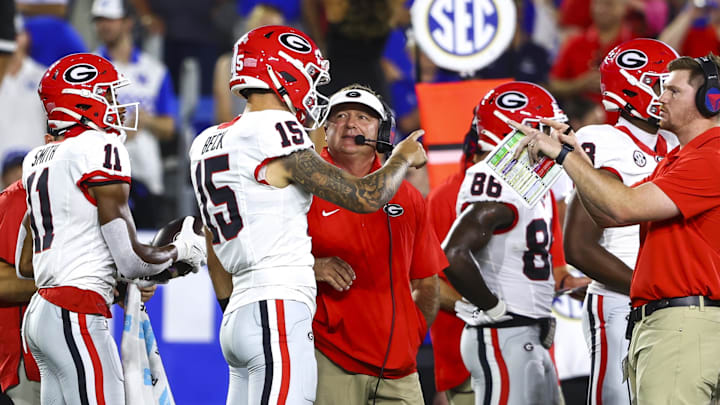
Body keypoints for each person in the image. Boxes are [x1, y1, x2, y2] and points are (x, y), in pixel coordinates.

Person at [189, 26, 427, 404]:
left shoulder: (207, 140)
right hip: (277, 310)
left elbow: (210, 234)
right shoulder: (277, 129)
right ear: (284, 74)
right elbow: (364, 196)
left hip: (238, 312)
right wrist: (400, 158)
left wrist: (232, 304)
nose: (312, 87)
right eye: (308, 75)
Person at [512, 53, 720, 405]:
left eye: (672, 90)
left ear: (709, 99)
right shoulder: (677, 156)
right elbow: (611, 212)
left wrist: (564, 158)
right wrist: (576, 156)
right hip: (672, 317)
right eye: (658, 87)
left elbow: (624, 207)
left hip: (685, 321)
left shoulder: (708, 156)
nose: (661, 97)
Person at [17, 53, 206, 405]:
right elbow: (133, 261)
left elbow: (26, 264)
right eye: (108, 95)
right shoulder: (100, 147)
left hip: (40, 315)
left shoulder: (37, 158)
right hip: (77, 311)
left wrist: (110, 278)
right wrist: (182, 251)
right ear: (84, 101)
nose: (117, 105)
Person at [306, 84, 443, 404]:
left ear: (383, 133)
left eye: (363, 117)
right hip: (330, 359)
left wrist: (410, 338)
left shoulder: (408, 197)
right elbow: (263, 258)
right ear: (325, 131)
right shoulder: (304, 187)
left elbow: (426, 282)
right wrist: (312, 266)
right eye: (339, 116)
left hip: (399, 367)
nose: (349, 124)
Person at [562, 38, 679, 405]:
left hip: (667, 300)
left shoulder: (676, 142)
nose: (673, 95)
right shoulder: (602, 139)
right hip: (622, 302)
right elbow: (579, 245)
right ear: (635, 89)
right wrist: (650, 288)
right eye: (665, 86)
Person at [442, 81, 574, 405]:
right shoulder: (495, 178)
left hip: (525, 332)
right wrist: (495, 309)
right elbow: (454, 253)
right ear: (518, 129)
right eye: (545, 127)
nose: (555, 135)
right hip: (503, 334)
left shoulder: (528, 179)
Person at [92, 0, 178, 228]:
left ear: (128, 22)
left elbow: (169, 128)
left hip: (147, 175)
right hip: (102, 174)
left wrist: (141, 119)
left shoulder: (155, 70)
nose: (104, 26)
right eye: (99, 20)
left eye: (110, 19)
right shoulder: (89, 69)